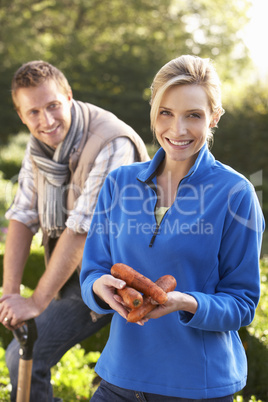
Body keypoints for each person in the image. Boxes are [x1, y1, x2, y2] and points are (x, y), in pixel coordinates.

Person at [80, 54, 265, 402]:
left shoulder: (235, 193)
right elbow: (92, 270)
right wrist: (98, 287)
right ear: (153, 111)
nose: (177, 130)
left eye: (193, 115)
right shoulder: (119, 183)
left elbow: (242, 304)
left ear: (214, 118)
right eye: (166, 112)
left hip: (197, 388)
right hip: (118, 380)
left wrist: (186, 302)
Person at [0, 60, 150, 402]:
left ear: (68, 96)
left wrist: (37, 301)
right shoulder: (39, 146)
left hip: (118, 276)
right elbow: (22, 215)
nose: (46, 120)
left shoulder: (112, 142)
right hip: (75, 270)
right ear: (22, 116)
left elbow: (83, 230)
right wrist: (10, 295)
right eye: (33, 112)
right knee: (21, 356)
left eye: (53, 106)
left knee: (24, 356)